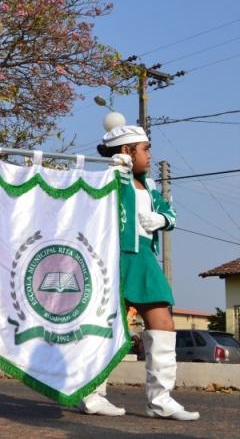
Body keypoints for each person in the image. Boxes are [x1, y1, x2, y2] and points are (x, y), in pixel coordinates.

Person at [78, 116, 199, 421]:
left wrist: (162, 219)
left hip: (144, 258)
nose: (150, 155)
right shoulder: (105, 181)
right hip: (113, 257)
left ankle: (160, 400)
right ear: (127, 151)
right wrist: (115, 173)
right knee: (106, 327)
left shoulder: (149, 186)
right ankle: (91, 394)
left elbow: (171, 213)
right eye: (145, 149)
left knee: (163, 323)